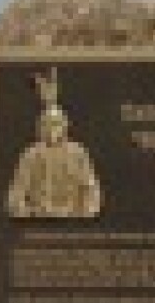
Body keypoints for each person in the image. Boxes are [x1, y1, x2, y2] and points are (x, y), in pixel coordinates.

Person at [7, 69, 101, 219]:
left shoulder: (77, 153)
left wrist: (86, 214)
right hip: (38, 219)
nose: (51, 129)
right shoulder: (31, 155)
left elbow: (91, 188)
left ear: (65, 126)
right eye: (47, 124)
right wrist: (25, 214)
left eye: (56, 124)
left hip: (72, 219)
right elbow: (17, 191)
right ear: (40, 127)